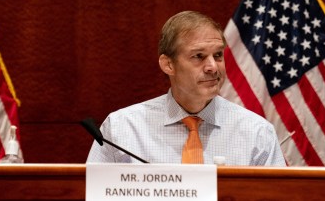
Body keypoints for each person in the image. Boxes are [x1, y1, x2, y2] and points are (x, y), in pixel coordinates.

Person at [86, 10, 286, 166]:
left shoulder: (257, 133)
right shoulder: (122, 128)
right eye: (198, 56)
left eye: (217, 55)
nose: (213, 67)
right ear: (168, 65)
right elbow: (91, 194)